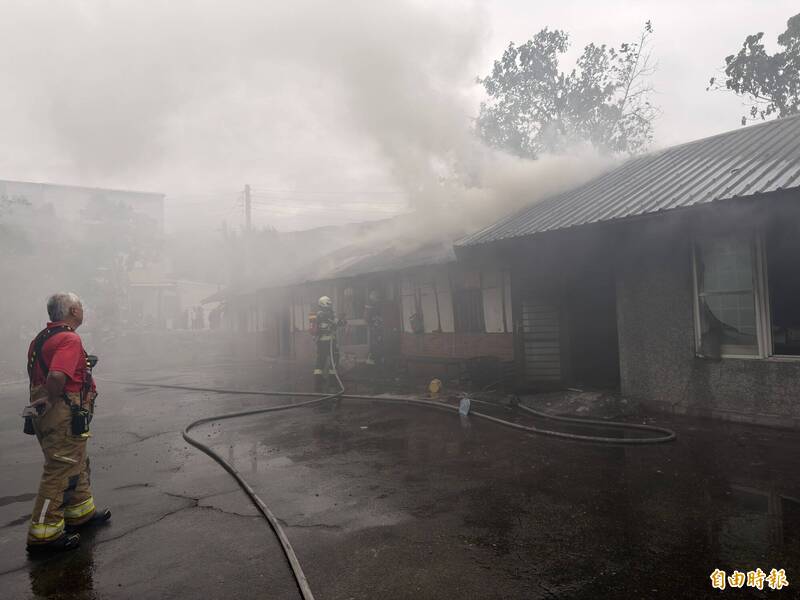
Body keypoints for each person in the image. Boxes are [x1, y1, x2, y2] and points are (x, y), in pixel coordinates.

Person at [25, 292, 110, 553]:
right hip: (63, 409)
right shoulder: (69, 338)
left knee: (76, 461)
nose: (83, 310)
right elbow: (57, 375)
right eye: (81, 306)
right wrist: (52, 400)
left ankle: (80, 513)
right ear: (73, 311)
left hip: (57, 409)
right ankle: (44, 534)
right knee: (61, 468)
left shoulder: (42, 338)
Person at [312, 296, 343, 393]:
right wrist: (340, 320)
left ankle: (318, 380)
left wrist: (340, 321)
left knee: (321, 360)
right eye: (328, 303)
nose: (330, 305)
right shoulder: (324, 314)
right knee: (334, 359)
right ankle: (332, 380)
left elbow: (337, 323)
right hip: (328, 342)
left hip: (322, 342)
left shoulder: (320, 314)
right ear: (324, 303)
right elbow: (335, 323)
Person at [363, 290, 385, 367]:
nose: (378, 299)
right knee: (375, 343)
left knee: (378, 342)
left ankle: (376, 359)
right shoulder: (369, 305)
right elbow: (367, 318)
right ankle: (372, 359)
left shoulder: (376, 304)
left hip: (377, 327)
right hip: (374, 327)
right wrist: (374, 322)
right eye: (377, 297)